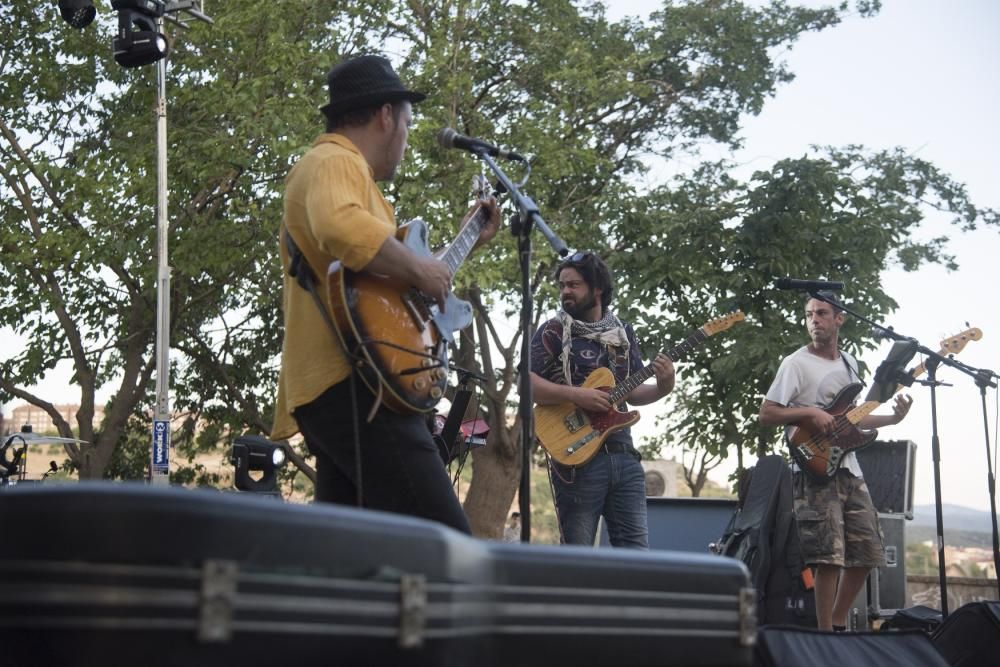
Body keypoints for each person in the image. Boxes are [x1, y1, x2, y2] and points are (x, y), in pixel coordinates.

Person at [270, 54, 501, 533]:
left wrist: (462, 245)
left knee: (353, 555)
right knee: (446, 543)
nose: (406, 138)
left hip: (345, 384)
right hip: (355, 383)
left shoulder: (348, 177)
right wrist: (419, 266)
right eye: (409, 123)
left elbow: (394, 291)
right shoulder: (335, 160)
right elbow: (341, 228)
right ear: (385, 116)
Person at [759, 293, 913, 631]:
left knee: (869, 550)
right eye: (809, 314)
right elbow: (767, 413)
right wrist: (810, 411)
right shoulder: (795, 363)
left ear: (839, 319)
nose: (814, 320)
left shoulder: (851, 364)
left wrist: (891, 419)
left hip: (849, 467)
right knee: (829, 556)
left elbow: (850, 421)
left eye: (822, 313)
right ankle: (825, 632)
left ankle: (840, 623)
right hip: (813, 466)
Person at [529, 252, 675, 549]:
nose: (565, 291)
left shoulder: (622, 333)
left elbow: (631, 391)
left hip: (624, 453)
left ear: (597, 289)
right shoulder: (553, 330)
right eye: (562, 285)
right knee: (578, 558)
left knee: (636, 556)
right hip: (576, 458)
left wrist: (664, 385)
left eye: (574, 285)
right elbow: (525, 383)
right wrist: (576, 394)